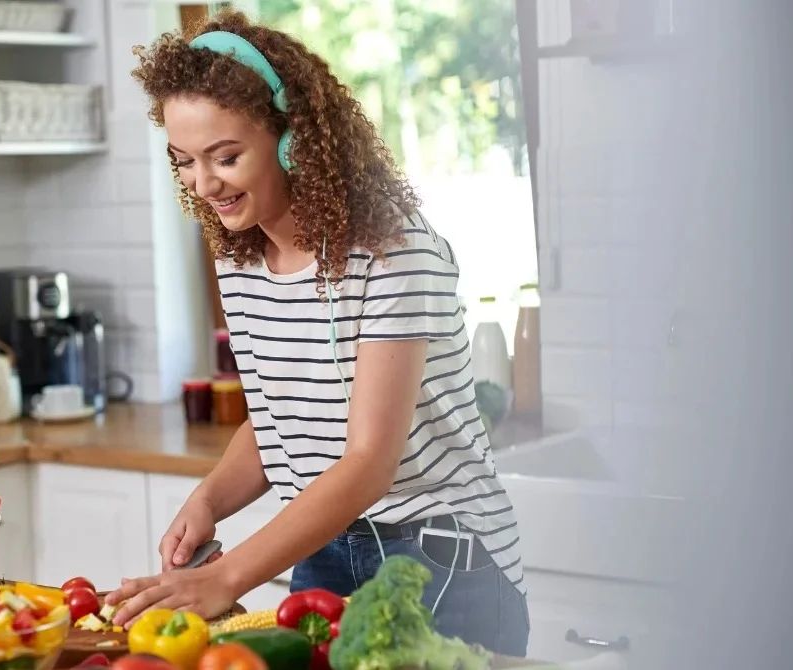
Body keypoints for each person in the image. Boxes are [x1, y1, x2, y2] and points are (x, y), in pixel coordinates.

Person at [105, 10, 529, 656]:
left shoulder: (393, 253)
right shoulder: (239, 259)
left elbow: (367, 465)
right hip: (324, 544)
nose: (203, 184)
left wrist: (227, 577)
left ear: (292, 140)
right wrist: (211, 498)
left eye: (225, 157)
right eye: (184, 160)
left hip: (442, 558)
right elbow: (282, 419)